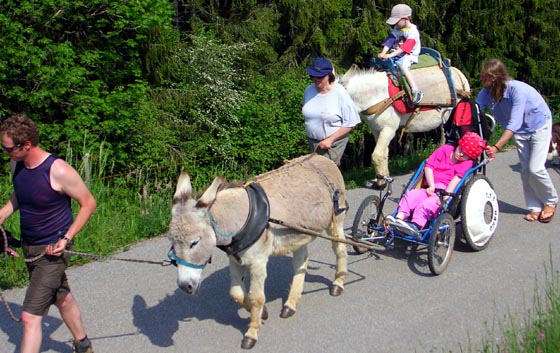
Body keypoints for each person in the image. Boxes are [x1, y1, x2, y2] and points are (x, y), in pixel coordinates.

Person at [0, 114, 97, 353]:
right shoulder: (17, 165)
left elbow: (88, 203)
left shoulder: (58, 170)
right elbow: (22, 196)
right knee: (61, 297)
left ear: (27, 145)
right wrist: (2, 213)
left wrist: (66, 239)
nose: (5, 153)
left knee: (29, 316)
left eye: (8, 149)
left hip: (54, 250)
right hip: (30, 246)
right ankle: (83, 344)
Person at [477, 58, 558, 223]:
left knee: (535, 168)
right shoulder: (486, 92)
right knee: (525, 171)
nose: (481, 79)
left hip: (538, 125)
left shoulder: (517, 90)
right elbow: (475, 109)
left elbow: (514, 123)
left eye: (484, 76)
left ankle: (551, 200)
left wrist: (497, 147)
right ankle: (535, 207)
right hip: (520, 131)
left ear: (494, 77)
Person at [386, 132, 487, 234]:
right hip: (429, 186)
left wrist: (445, 198)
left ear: (470, 158)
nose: (461, 155)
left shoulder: (466, 163)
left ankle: (416, 226)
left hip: (443, 192)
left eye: (466, 155)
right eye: (461, 150)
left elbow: (455, 181)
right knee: (411, 195)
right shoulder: (445, 150)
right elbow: (429, 167)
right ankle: (399, 219)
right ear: (458, 145)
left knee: (426, 205)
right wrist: (431, 185)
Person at [302, 57, 361, 166]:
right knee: (316, 173)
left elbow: (351, 122)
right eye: (313, 75)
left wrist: (330, 139)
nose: (315, 78)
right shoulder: (308, 90)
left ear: (329, 75)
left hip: (333, 143)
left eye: (320, 76)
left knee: (325, 174)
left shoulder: (339, 92)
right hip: (313, 142)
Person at [378, 3, 423, 104]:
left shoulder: (413, 32)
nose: (395, 24)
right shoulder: (397, 29)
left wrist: (389, 55)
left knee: (403, 66)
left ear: (406, 18)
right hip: (397, 53)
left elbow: (405, 48)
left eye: (397, 21)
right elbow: (390, 40)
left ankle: (415, 90)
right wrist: (383, 53)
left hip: (409, 54)